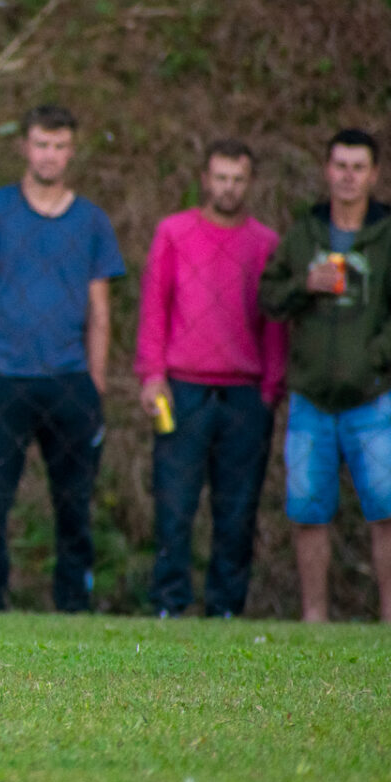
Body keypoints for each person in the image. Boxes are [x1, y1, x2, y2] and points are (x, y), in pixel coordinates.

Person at [0, 104, 125, 612]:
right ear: (25, 147)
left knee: (74, 501)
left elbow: (100, 310)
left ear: (72, 152)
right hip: (2, 376)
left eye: (59, 145)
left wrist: (94, 384)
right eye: (41, 144)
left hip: (69, 379)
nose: (49, 155)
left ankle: (74, 600)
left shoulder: (92, 222)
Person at [260, 128, 391, 623]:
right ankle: (316, 619)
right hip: (311, 397)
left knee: (386, 510)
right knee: (308, 512)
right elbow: (268, 297)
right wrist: (303, 284)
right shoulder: (304, 234)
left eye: (359, 167)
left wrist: (372, 358)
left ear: (374, 175)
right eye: (340, 165)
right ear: (326, 170)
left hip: (374, 399)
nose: (348, 176)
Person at [134, 140, 286, 619]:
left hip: (244, 392)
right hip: (182, 388)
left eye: (238, 179)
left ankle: (225, 607)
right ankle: (170, 602)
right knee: (174, 504)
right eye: (221, 177)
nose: (228, 188)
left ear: (250, 183)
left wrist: (269, 390)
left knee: (237, 509)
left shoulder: (265, 243)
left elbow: (274, 323)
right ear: (205, 178)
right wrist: (152, 374)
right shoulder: (174, 233)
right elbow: (155, 306)